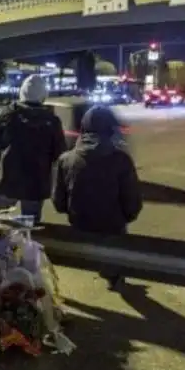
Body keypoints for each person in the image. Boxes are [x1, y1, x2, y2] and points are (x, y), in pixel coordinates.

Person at [52, 105, 143, 289]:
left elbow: (59, 203)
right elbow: (132, 202)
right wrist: (126, 217)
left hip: (80, 223)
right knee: (114, 237)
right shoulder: (121, 160)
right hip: (112, 226)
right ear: (111, 130)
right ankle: (113, 276)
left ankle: (109, 271)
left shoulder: (66, 160)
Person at [0, 74, 66, 223]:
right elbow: (59, 153)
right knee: (30, 228)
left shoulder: (8, 114)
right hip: (36, 185)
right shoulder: (52, 121)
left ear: (22, 92)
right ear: (43, 95)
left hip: (7, 180)